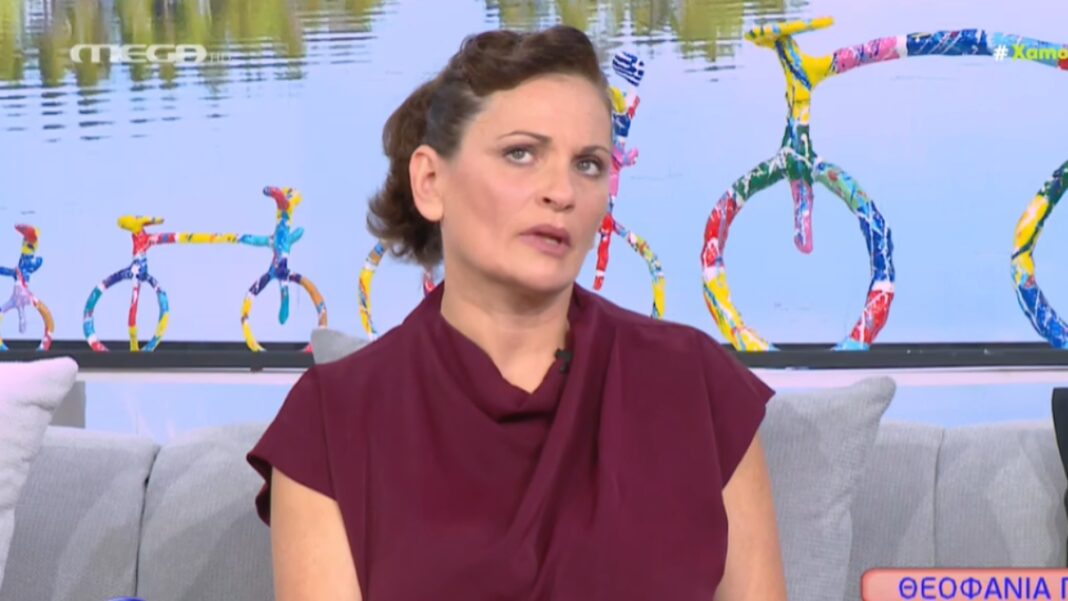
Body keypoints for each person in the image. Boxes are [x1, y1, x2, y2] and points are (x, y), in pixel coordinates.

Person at [247, 24, 787, 601]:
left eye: (588, 164)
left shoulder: (694, 386)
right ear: (430, 181)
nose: (562, 192)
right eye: (521, 154)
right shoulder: (332, 422)